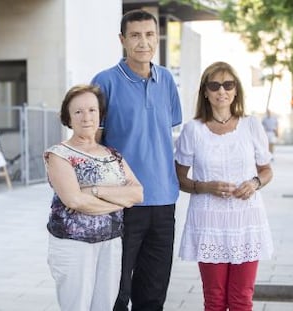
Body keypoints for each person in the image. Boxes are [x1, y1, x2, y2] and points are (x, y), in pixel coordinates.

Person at [91, 9, 182, 311]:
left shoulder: (167, 80)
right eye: (135, 35)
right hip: (122, 202)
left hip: (164, 199)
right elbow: (94, 142)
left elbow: (164, 134)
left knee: (154, 292)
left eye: (149, 34)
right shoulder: (105, 82)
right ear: (123, 40)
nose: (143, 42)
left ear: (157, 37)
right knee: (117, 291)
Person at [174, 61, 274, 311]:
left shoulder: (251, 125)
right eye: (215, 85)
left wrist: (254, 183)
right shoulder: (192, 130)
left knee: (241, 299)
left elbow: (266, 170)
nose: (222, 91)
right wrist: (206, 186)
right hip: (209, 222)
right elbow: (180, 179)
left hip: (246, 221)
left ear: (236, 90)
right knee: (215, 299)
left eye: (228, 84)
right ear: (205, 92)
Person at [44, 84, 143, 311]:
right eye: (78, 111)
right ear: (68, 118)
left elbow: (137, 193)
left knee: (105, 307)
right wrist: (119, 200)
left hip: (110, 243)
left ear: (100, 114)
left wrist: (95, 191)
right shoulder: (59, 154)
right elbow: (74, 201)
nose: (86, 117)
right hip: (73, 245)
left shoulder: (112, 155)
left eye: (92, 110)